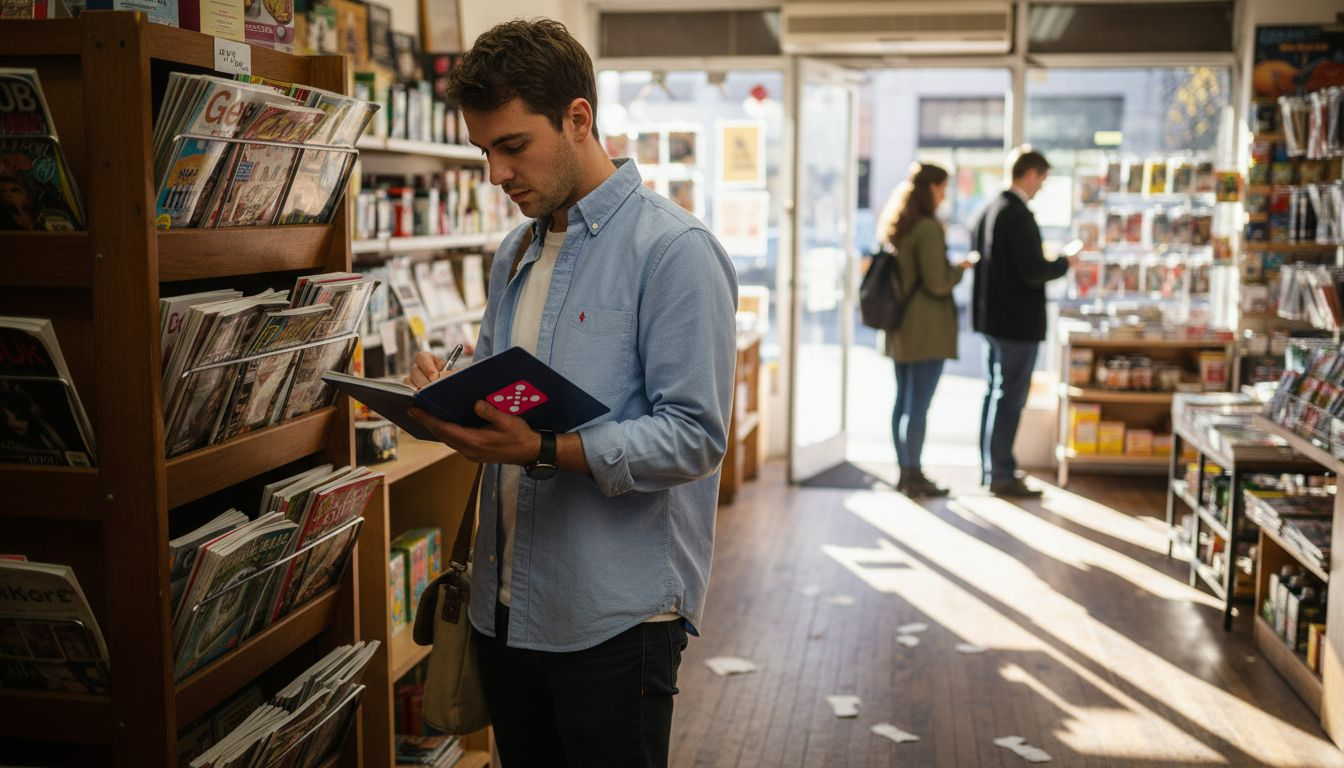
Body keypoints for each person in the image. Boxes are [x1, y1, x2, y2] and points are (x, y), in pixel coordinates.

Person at [403, 18, 738, 767]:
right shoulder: (516, 250)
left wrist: (550, 448)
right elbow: (509, 395)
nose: (495, 172)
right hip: (504, 609)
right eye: (483, 150)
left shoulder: (675, 252)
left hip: (614, 622)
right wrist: (450, 399)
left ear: (578, 118)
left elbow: (695, 434)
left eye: (512, 146)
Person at [971, 146, 1074, 498]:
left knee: (996, 393)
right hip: (1015, 324)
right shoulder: (1017, 215)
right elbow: (1033, 271)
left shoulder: (988, 209)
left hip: (993, 320)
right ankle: (1000, 471)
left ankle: (992, 466)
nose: (1042, 186)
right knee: (1009, 397)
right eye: (1042, 178)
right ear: (1030, 174)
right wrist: (1064, 262)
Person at [876, 163, 971, 497]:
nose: (945, 194)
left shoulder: (899, 224)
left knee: (902, 402)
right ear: (932, 188)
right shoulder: (929, 228)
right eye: (943, 187)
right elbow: (937, 282)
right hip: (925, 330)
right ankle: (914, 474)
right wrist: (960, 269)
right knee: (918, 407)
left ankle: (904, 471)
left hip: (900, 328)